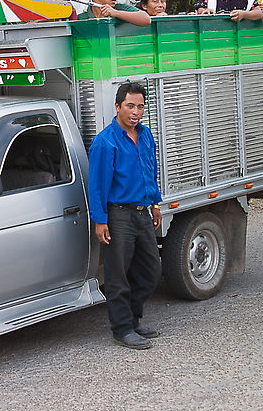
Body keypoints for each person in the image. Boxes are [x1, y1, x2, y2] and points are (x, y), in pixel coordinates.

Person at [87, 82, 162, 350]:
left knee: (151, 269)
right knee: (118, 274)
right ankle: (122, 329)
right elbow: (97, 185)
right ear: (118, 106)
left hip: (143, 212)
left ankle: (133, 319)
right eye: (130, 106)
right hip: (118, 216)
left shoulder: (145, 135)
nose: (136, 112)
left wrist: (155, 203)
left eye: (140, 107)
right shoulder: (105, 142)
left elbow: (150, 170)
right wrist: (100, 220)